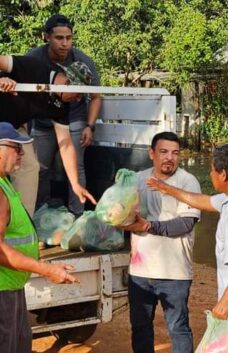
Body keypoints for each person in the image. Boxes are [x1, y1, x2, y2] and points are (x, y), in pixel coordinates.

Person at [146, 144, 228, 353]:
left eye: (212, 170)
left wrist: (225, 301)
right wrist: (166, 188)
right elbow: (206, 202)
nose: (210, 174)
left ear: (223, 174)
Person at [116, 132, 201, 353]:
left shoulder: (187, 181)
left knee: (178, 327)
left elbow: (186, 224)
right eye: (163, 152)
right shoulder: (136, 179)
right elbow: (120, 215)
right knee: (140, 327)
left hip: (175, 273)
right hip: (140, 272)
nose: (169, 158)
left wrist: (147, 226)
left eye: (175, 153)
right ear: (151, 153)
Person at [0, 122, 78, 353]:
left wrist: (45, 266)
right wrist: (47, 270)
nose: (22, 154)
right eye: (16, 147)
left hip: (10, 287)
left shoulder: (5, 183)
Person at [0, 54, 96, 216]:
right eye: (78, 93)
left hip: (12, 127)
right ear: (67, 82)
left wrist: (75, 184)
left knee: (30, 166)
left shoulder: (62, 107)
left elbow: (65, 144)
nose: (78, 99)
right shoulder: (33, 66)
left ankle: (22, 222)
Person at [27, 14, 101, 216]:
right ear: (47, 37)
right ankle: (39, 214)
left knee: (76, 166)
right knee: (39, 168)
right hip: (42, 120)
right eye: (59, 38)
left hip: (74, 118)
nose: (65, 43)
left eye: (69, 38)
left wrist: (90, 126)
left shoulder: (83, 61)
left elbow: (95, 97)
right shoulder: (32, 59)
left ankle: (77, 216)